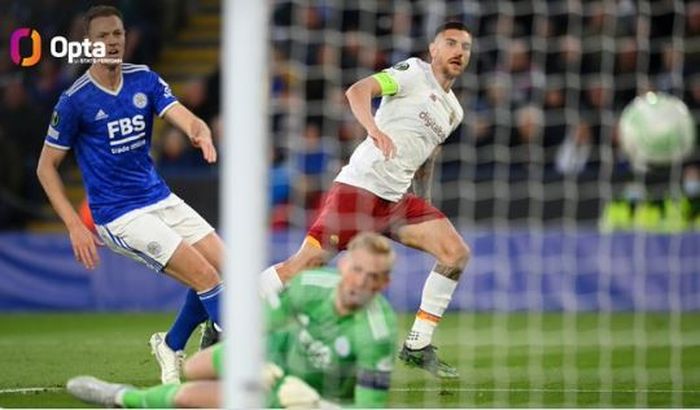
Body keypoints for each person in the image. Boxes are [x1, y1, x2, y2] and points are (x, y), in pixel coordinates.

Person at [259, 21, 472, 379]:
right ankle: (225, 314)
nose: (458, 52)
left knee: (456, 254)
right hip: (360, 190)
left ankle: (418, 344)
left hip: (397, 202)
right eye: (450, 43)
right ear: (433, 48)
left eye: (465, 47)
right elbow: (358, 90)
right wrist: (373, 129)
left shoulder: (454, 111)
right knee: (303, 267)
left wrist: (425, 202)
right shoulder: (411, 73)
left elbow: (426, 156)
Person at [36, 5, 223, 384]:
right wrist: (74, 225)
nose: (111, 42)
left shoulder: (144, 80)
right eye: (102, 36)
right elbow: (45, 167)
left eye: (117, 34)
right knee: (205, 277)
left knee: (224, 271)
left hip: (160, 197)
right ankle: (241, 355)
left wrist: (197, 128)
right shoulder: (75, 101)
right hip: (119, 214)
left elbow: (180, 114)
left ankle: (171, 344)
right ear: (88, 44)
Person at [67, 232, 398, 408]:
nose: (361, 282)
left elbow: (370, 406)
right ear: (343, 267)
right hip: (276, 361)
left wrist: (315, 405)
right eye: (357, 270)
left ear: (384, 284)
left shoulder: (376, 333)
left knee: (188, 398)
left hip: (313, 395)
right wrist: (261, 365)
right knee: (195, 369)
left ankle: (121, 398)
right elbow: (261, 324)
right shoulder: (310, 286)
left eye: (373, 277)